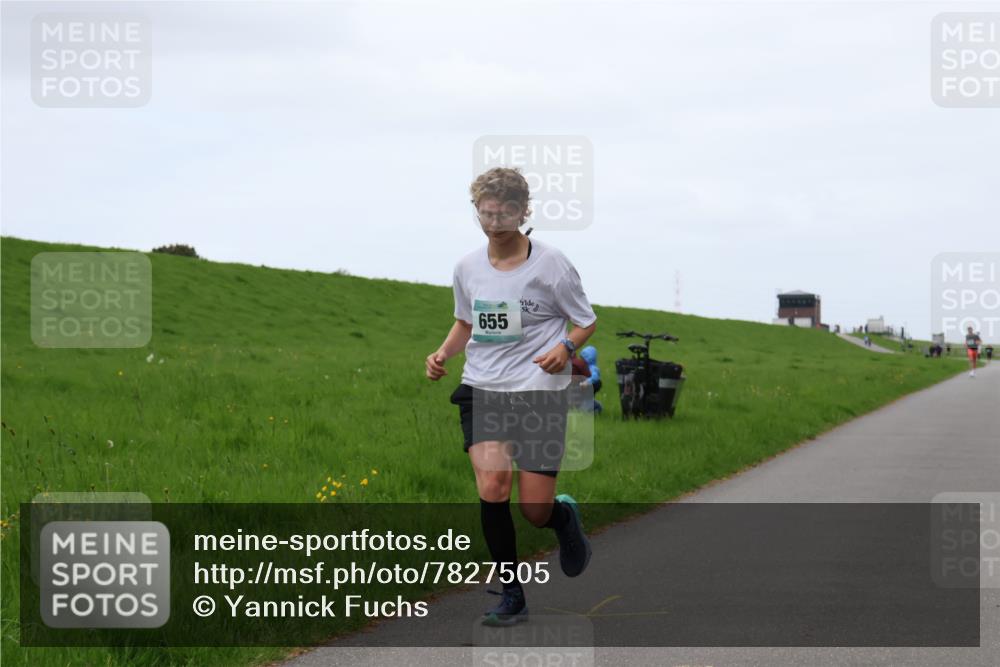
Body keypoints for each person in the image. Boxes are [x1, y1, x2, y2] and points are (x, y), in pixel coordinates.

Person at [425, 167, 598, 626]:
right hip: (483, 389)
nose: (494, 220)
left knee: (534, 509)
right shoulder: (466, 267)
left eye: (504, 212)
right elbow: (466, 322)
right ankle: (511, 592)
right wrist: (443, 352)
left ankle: (561, 519)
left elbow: (585, 320)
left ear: (523, 212)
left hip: (539, 394)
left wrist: (565, 347)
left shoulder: (552, 264)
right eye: (486, 211)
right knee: (492, 487)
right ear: (476, 210)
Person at [578, 345, 603, 413]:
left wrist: (587, 382)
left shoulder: (593, 368)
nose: (581, 360)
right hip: (586, 386)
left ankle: (594, 409)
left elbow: (595, 377)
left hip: (592, 385)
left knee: (587, 400)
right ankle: (595, 406)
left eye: (582, 359)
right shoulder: (584, 367)